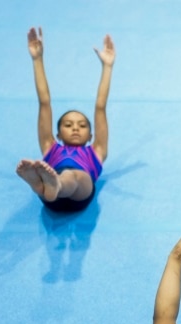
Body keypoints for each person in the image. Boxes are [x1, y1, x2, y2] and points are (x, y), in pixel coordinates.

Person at [15, 27, 115, 212]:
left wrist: (107, 67)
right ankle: (49, 186)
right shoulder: (50, 147)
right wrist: (37, 59)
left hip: (79, 193)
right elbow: (44, 103)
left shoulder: (97, 151)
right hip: (52, 191)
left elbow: (100, 107)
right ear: (58, 134)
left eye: (82, 125)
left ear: (91, 135)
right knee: (64, 175)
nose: (75, 128)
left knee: (74, 176)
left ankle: (49, 185)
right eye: (68, 125)